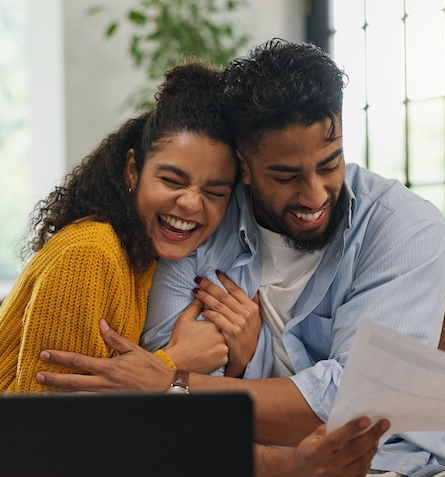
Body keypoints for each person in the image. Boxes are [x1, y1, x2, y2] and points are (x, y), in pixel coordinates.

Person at [35, 39, 445, 477]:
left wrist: (173, 382)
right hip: (276, 476)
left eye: (329, 164)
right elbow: (177, 428)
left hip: (411, 476)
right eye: (286, 175)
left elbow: (354, 403)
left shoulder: (404, 226)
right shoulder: (198, 229)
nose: (315, 194)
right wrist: (227, 372)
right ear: (245, 166)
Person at [0, 61, 261, 391]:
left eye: (214, 192)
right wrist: (175, 365)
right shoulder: (90, 254)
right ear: (132, 170)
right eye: (170, 180)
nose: (192, 203)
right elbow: (47, 429)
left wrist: (236, 364)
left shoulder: (144, 257)